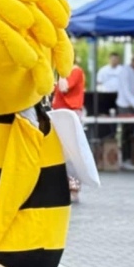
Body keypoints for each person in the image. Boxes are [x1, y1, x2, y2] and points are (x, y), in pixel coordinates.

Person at [53, 59, 86, 202]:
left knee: (71, 153)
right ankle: (63, 185)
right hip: (59, 113)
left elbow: (64, 87)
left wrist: (60, 72)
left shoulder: (75, 71)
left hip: (70, 114)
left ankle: (74, 187)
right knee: (61, 152)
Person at [115, 51, 134, 170]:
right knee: (125, 132)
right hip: (124, 105)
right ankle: (125, 159)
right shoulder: (125, 71)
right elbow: (126, 93)